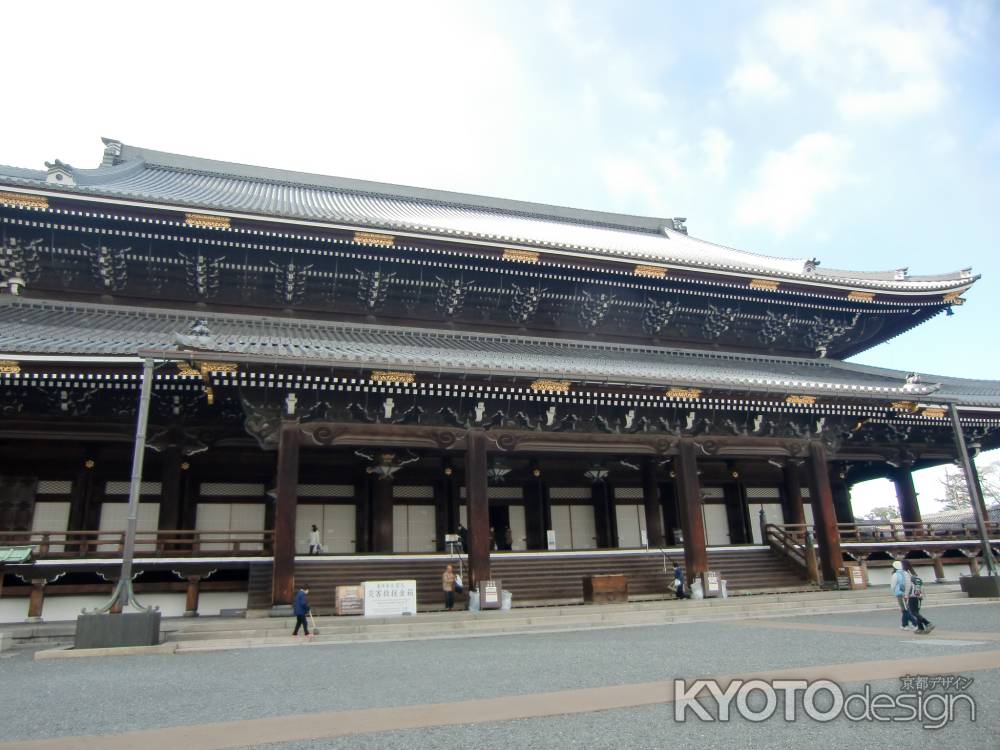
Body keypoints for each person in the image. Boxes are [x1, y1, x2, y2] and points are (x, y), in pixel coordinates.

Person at [901, 560, 935, 635]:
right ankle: (920, 628)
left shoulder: (906, 574)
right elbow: (920, 585)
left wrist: (906, 595)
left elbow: (907, 585)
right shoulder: (914, 574)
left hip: (912, 595)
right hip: (918, 595)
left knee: (913, 612)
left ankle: (927, 623)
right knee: (916, 612)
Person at [890, 560, 916, 630]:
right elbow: (908, 584)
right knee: (904, 609)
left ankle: (915, 623)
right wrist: (907, 593)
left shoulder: (895, 575)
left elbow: (893, 585)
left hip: (900, 594)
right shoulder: (905, 573)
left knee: (905, 609)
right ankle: (904, 624)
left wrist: (893, 592)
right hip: (906, 593)